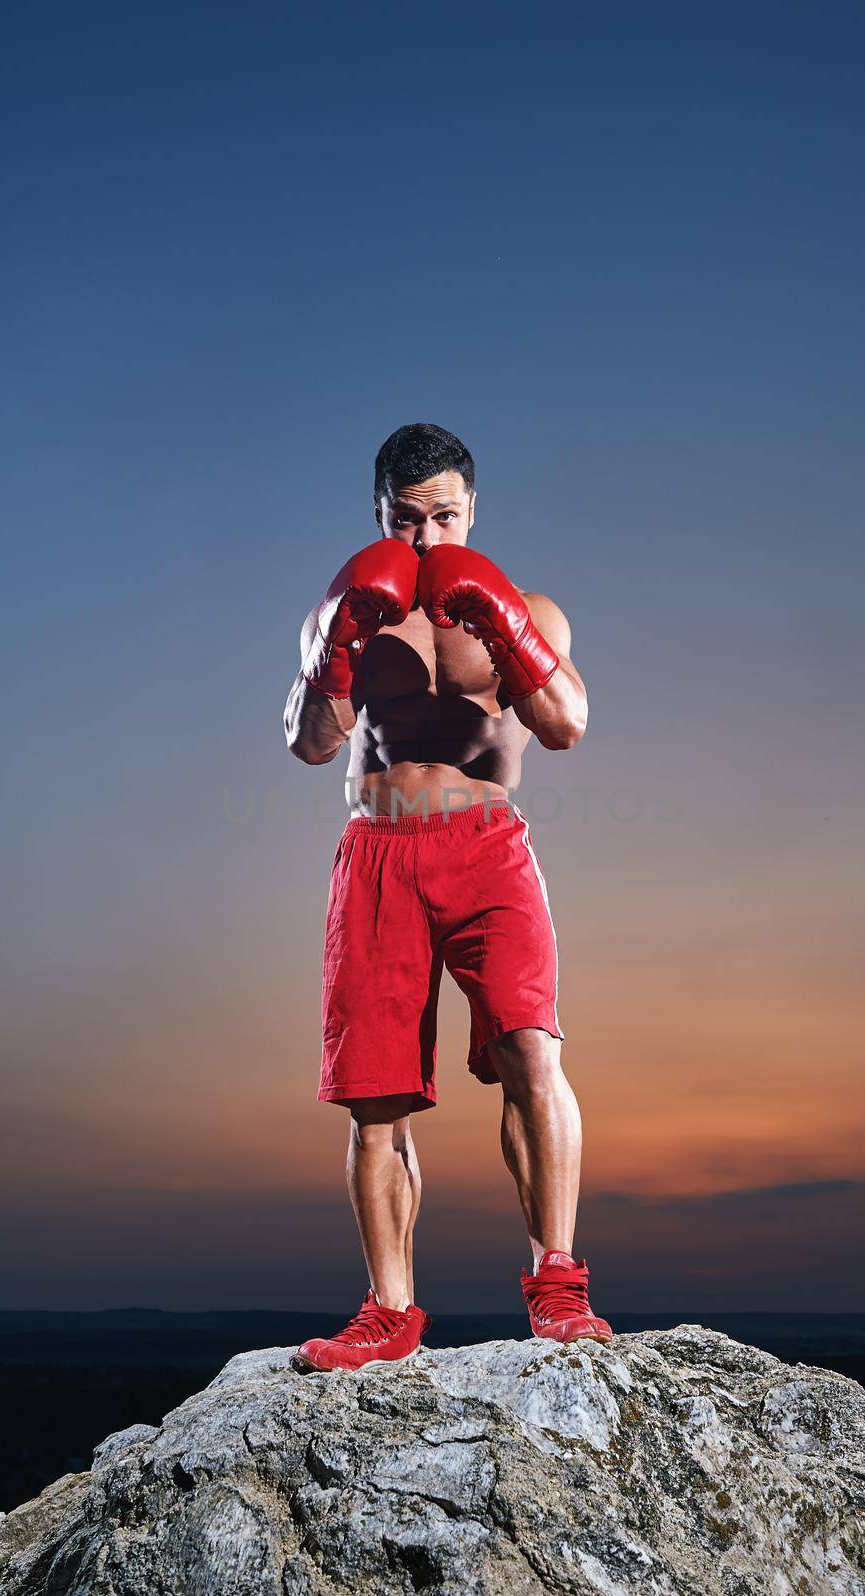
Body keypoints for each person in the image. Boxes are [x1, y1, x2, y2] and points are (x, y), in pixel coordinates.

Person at [283, 422, 611, 1371]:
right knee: (373, 1098)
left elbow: (566, 726)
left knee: (528, 1052)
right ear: (377, 515)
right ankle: (389, 1313)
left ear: (472, 510)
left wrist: (502, 624)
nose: (425, 541)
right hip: (376, 853)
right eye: (404, 520)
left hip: (485, 846)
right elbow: (309, 744)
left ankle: (557, 1283)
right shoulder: (342, 609)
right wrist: (337, 645)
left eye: (443, 518)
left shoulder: (529, 606)